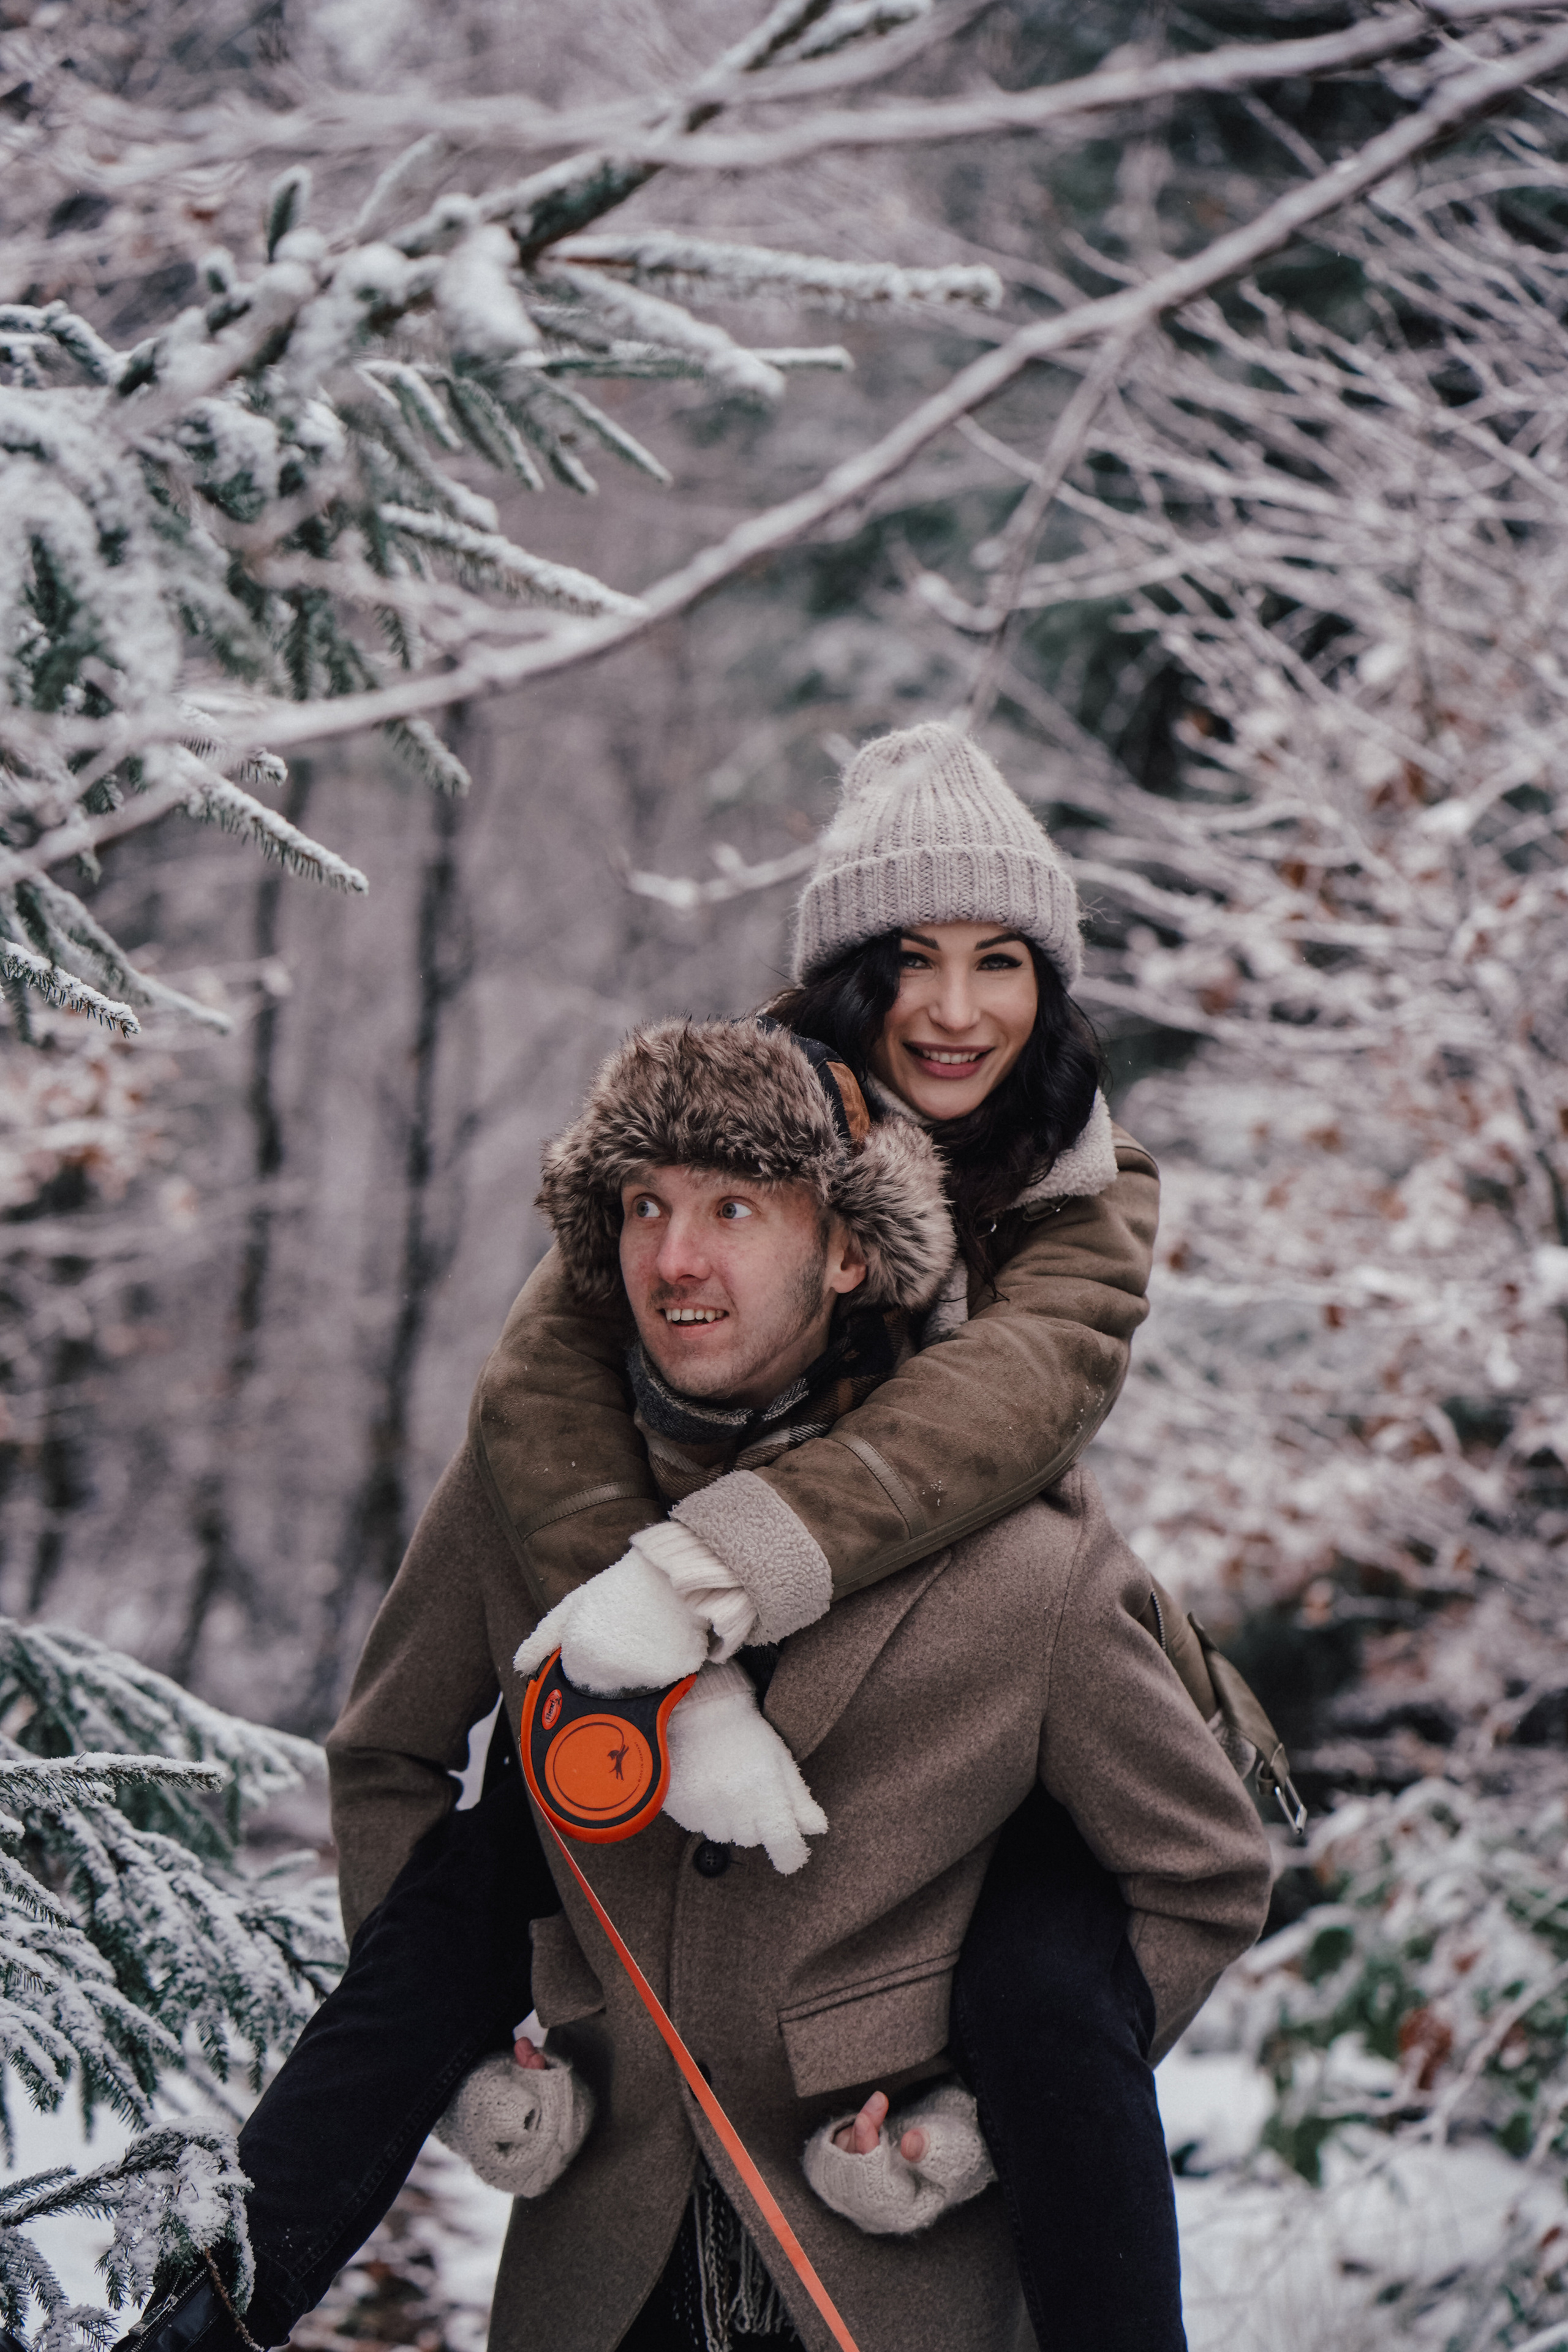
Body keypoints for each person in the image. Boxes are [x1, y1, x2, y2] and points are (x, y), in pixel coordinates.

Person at [325, 1014, 1272, 2352]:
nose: (674, 1257)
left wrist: (968, 2132)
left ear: (842, 1250)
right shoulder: (520, 1496)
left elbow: (1200, 1877)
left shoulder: (1025, 1559)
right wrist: (473, 2068)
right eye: (641, 1206)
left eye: (730, 1206)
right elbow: (384, 1757)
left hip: (897, 2285)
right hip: (591, 2282)